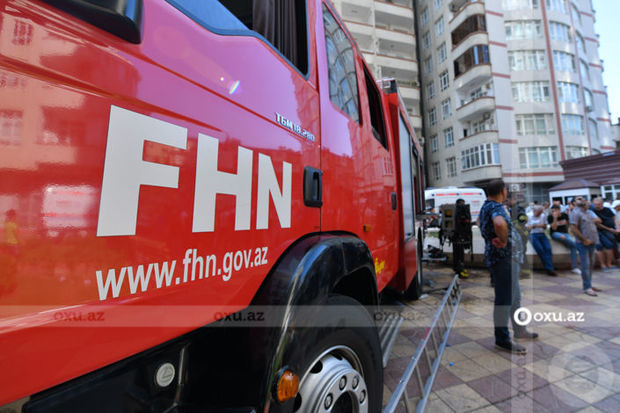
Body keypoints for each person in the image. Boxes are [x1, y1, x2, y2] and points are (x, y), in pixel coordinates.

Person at [479, 179, 537, 355]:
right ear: (502, 191)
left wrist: (489, 236)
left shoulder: (486, 206)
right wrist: (503, 241)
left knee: (515, 297)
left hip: (506, 259)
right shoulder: (496, 207)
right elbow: (499, 223)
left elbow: (479, 222)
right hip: (504, 259)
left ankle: (520, 329)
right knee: (504, 300)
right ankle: (502, 339)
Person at [570, 197, 602, 296]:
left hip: (592, 240)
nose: (582, 200)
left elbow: (599, 221)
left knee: (591, 264)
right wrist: (584, 239)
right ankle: (587, 287)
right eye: (579, 199)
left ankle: (589, 284)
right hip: (583, 243)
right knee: (585, 265)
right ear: (574, 202)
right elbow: (574, 229)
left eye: (583, 198)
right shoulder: (575, 213)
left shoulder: (589, 212)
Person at [548, 204, 580, 274]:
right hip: (555, 233)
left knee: (573, 246)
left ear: (559, 210)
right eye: (553, 211)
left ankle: (574, 267)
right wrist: (555, 218)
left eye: (556, 210)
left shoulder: (564, 215)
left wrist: (566, 231)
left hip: (565, 233)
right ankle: (569, 244)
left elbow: (568, 224)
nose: (554, 212)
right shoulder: (550, 217)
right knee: (564, 238)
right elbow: (554, 228)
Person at [527, 206, 557, 276]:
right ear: (534, 211)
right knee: (540, 250)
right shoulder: (528, 215)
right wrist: (536, 225)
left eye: (540, 213)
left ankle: (549, 268)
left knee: (548, 249)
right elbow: (526, 227)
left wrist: (542, 226)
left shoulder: (543, 215)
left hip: (542, 233)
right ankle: (549, 268)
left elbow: (545, 226)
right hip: (532, 234)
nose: (539, 215)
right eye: (538, 213)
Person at [591, 197, 618, 271]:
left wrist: (617, 227)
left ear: (602, 204)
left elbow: (614, 217)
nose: (597, 206)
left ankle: (610, 263)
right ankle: (606, 264)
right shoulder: (592, 211)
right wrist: (610, 229)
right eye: (595, 204)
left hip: (611, 229)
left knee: (610, 244)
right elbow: (598, 224)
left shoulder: (607, 209)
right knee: (601, 245)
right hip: (600, 231)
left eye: (599, 204)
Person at [452, 198, 472, 279]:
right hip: (458, 235)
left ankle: (458, 268)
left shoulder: (456, 211)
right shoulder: (460, 211)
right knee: (459, 253)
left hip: (457, 236)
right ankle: (459, 269)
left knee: (458, 253)